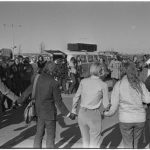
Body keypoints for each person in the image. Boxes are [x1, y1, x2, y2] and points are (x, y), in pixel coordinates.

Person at [23, 61, 73, 148]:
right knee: (50, 136)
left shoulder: (37, 78)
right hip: (49, 114)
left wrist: (18, 101)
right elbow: (59, 102)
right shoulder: (54, 82)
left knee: (38, 134)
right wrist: (68, 114)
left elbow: (28, 90)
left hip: (38, 112)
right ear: (54, 71)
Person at [104, 62, 150, 148]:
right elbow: (147, 99)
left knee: (128, 145)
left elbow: (113, 107)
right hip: (140, 119)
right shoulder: (140, 84)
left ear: (123, 71)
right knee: (135, 144)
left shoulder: (119, 84)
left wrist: (107, 113)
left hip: (125, 119)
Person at [71, 62, 110, 148]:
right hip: (94, 114)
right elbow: (106, 105)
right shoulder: (103, 85)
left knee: (85, 141)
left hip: (82, 113)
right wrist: (108, 108)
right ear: (100, 71)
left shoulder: (83, 81)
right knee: (94, 143)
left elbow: (76, 97)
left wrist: (73, 110)